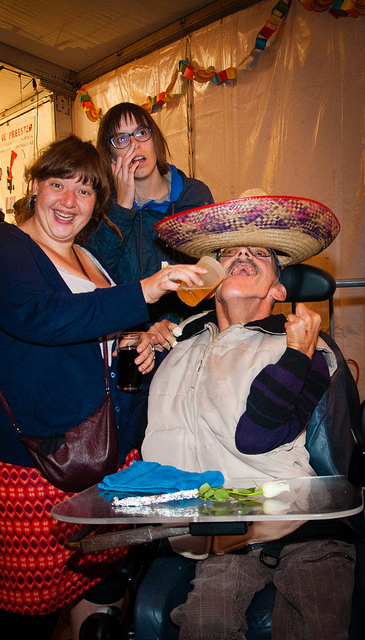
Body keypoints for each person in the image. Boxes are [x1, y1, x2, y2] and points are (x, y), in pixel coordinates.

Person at [0, 135, 205, 640]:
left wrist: (140, 340)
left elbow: (96, 331)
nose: (69, 201)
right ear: (35, 186)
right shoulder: (2, 245)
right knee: (27, 613)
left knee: (102, 587)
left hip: (104, 451)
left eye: (85, 191)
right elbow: (41, 316)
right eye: (59, 184)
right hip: (34, 458)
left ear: (97, 203)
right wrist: (145, 290)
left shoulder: (88, 260)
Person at [141, 194, 358, 640]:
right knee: (205, 625)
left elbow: (257, 436)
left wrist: (297, 353)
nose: (242, 256)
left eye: (259, 253)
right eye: (229, 253)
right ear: (210, 280)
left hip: (307, 528)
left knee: (317, 626)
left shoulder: (310, 347)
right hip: (225, 536)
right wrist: (154, 338)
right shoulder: (177, 345)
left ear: (279, 289)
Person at [84, 101, 214, 324]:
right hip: (134, 333)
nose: (135, 145)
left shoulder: (194, 194)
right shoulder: (101, 208)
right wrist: (122, 208)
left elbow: (210, 267)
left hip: (193, 329)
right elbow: (95, 276)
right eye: (122, 139)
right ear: (110, 155)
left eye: (141, 133)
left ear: (155, 140)